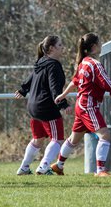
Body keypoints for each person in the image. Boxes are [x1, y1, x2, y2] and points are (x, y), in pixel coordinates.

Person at [51, 33, 111, 177]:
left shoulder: (83, 63)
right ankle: (100, 171)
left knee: (73, 139)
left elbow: (74, 82)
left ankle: (58, 165)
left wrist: (63, 95)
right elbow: (107, 83)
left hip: (81, 105)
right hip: (88, 106)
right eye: (100, 42)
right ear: (94, 46)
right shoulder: (95, 64)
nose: (101, 44)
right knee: (105, 135)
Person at [15, 35, 72, 175]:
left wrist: (23, 90)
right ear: (51, 48)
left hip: (33, 107)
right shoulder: (54, 64)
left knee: (37, 139)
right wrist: (63, 104)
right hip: (46, 108)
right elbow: (55, 88)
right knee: (57, 139)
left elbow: (30, 78)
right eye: (59, 45)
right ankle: (44, 167)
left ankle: (23, 168)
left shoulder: (41, 62)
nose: (62, 47)